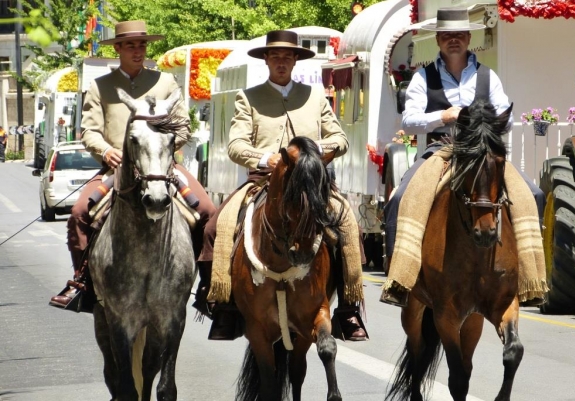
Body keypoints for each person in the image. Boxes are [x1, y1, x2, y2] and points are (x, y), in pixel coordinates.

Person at [194, 30, 368, 341]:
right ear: (266, 60)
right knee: (214, 227)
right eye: (275, 55)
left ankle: (348, 307)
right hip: (262, 182)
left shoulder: (315, 96)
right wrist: (265, 159)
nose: (281, 61)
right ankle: (222, 304)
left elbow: (339, 138)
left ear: (296, 60)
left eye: (288, 56)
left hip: (311, 184)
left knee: (347, 225)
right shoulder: (247, 97)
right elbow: (235, 145)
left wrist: (314, 152)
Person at [381, 7, 545, 307]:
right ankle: (400, 279)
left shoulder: (487, 76)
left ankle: (528, 277)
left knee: (533, 194)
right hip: (439, 150)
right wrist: (442, 115)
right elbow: (409, 120)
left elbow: (505, 118)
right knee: (399, 198)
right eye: (447, 36)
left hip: (481, 152)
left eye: (459, 35)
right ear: (438, 40)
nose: (453, 40)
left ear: (469, 38)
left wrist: (487, 120)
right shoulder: (422, 77)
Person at [49, 20, 216, 309]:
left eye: (141, 45)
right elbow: (89, 131)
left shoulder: (166, 82)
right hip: (118, 169)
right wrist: (106, 151)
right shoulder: (100, 86)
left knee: (207, 211)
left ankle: (207, 287)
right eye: (130, 45)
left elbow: (183, 127)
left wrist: (164, 149)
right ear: (118, 49)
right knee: (78, 214)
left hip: (162, 168)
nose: (137, 51)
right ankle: (83, 282)